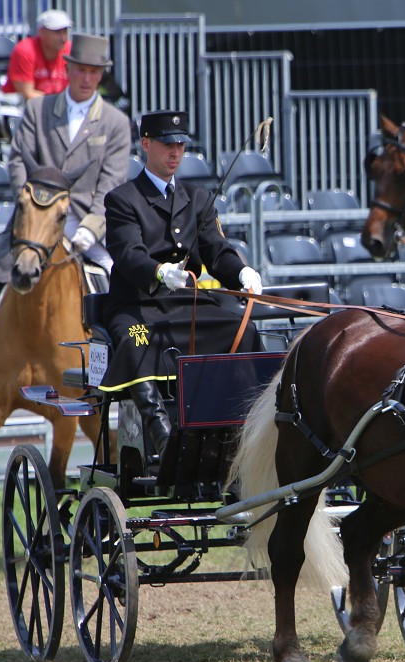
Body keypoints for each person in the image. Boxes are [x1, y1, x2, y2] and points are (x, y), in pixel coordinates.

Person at [0, 33, 130, 391]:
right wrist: (28, 204)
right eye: (81, 70)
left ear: (101, 74)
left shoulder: (116, 122)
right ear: (68, 69)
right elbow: (17, 163)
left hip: (86, 219)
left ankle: (122, 365)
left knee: (119, 275)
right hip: (34, 219)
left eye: (94, 72)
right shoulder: (38, 111)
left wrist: (91, 227)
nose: (87, 78)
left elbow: (112, 184)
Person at [97, 110, 264, 462]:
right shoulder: (123, 199)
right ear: (146, 145)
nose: (175, 152)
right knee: (133, 341)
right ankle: (165, 440)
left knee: (241, 329)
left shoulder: (198, 199)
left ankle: (241, 431)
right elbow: (128, 253)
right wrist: (159, 272)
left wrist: (242, 273)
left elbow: (217, 252)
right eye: (167, 144)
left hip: (187, 304)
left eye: (181, 145)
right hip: (137, 304)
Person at [1, 9, 72, 99]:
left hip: (55, 106)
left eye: (65, 31)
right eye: (57, 32)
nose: (64, 38)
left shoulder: (70, 50)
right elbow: (27, 94)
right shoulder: (25, 51)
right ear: (41, 32)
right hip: (20, 109)